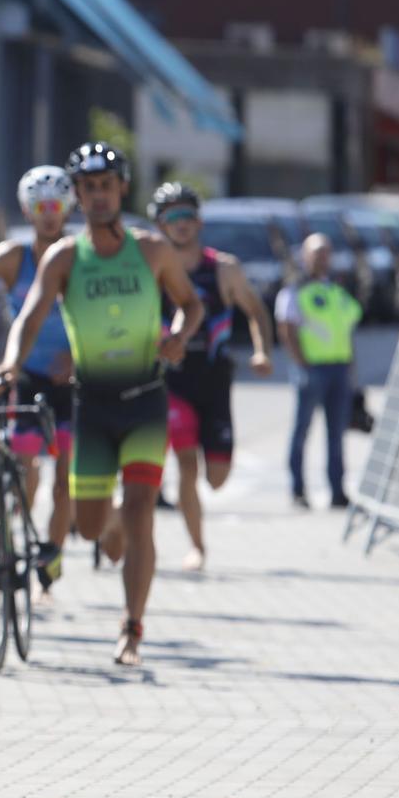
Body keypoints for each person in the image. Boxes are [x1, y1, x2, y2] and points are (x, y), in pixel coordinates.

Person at [0, 143, 203, 667]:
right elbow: (30, 316)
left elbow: (191, 304)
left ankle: (132, 626)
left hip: (145, 402)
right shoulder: (64, 258)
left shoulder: (152, 250)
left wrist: (179, 335)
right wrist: (12, 363)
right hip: (93, 406)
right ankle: (104, 526)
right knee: (89, 526)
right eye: (89, 188)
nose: (99, 196)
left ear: (121, 189)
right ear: (77, 197)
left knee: (139, 514)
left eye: (107, 186)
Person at [0, 165, 79, 584]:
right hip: (24, 373)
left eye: (56, 206)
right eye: (40, 207)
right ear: (27, 209)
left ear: (67, 208)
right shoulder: (13, 256)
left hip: (71, 381)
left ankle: (52, 557)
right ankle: (14, 533)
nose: (48, 214)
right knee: (22, 462)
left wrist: (77, 359)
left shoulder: (81, 256)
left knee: (66, 480)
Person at [145, 183, 275, 571]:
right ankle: (197, 546)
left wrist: (262, 350)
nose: (181, 224)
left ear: (199, 222)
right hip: (173, 380)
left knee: (217, 478)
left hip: (215, 380)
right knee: (186, 465)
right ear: (160, 225)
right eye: (172, 217)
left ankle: (196, 533)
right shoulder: (151, 270)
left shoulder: (224, 268)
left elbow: (256, 311)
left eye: (187, 216)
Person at [278, 234, 362, 510]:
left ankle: (337, 491)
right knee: (302, 430)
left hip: (339, 369)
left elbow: (348, 326)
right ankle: (297, 490)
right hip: (312, 370)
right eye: (316, 253)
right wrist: (302, 363)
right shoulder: (295, 290)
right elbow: (287, 330)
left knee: (336, 433)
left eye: (326, 253)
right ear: (304, 256)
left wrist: (351, 367)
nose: (321, 259)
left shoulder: (336, 290)